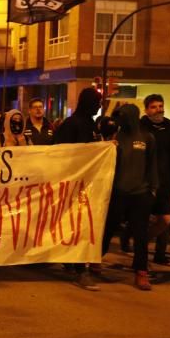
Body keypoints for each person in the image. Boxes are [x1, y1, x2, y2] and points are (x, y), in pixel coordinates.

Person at [102, 105, 159, 291]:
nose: (120, 121)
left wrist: (153, 189)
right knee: (109, 228)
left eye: (123, 117)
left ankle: (141, 272)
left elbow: (152, 164)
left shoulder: (147, 138)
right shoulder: (116, 138)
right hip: (118, 192)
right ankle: (94, 260)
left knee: (140, 235)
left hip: (140, 194)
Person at [54, 87, 104, 290]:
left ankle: (74, 263)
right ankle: (80, 269)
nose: (99, 106)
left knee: (82, 226)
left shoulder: (91, 124)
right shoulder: (71, 124)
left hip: (88, 185)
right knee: (77, 226)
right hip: (73, 185)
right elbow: (61, 152)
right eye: (97, 102)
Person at [138, 95, 170, 266]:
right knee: (142, 219)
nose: (158, 109)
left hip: (165, 182)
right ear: (147, 110)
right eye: (154, 107)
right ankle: (141, 256)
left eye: (160, 106)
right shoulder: (141, 129)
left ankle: (152, 249)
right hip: (145, 183)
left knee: (165, 220)